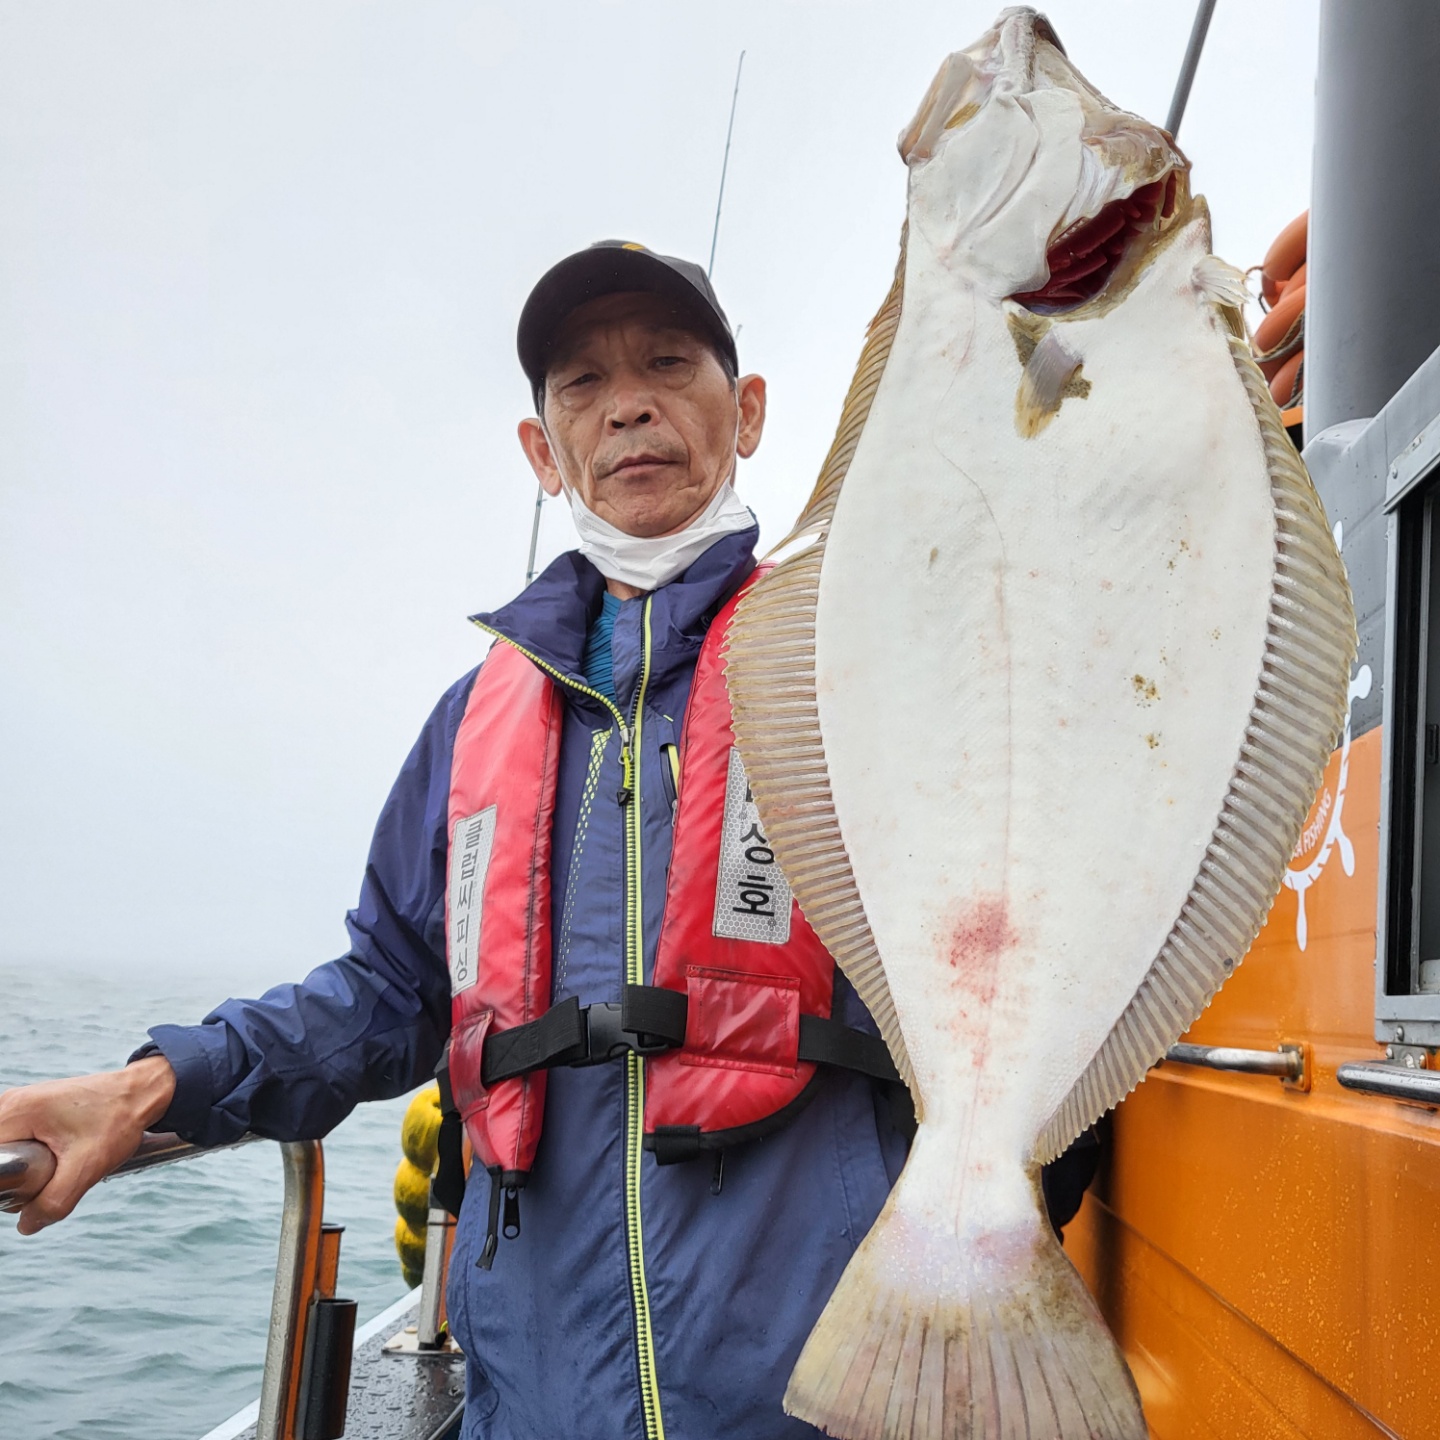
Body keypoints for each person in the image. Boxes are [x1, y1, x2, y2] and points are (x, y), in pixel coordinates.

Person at [0, 241, 1096, 1440]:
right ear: (542, 451)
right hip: (536, 1397)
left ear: (748, 412)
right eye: (582, 382)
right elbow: (386, 994)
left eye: (668, 363)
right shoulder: (472, 720)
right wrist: (152, 1087)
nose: (628, 405)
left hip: (822, 1390)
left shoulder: (863, 665)